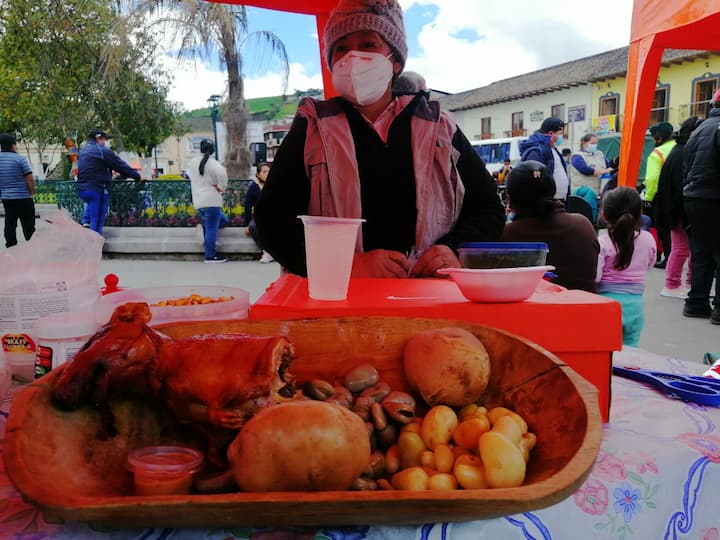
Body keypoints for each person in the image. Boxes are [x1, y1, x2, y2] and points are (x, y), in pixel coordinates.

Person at [254, 0, 505, 278]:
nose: (353, 57)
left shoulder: (439, 128)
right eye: (341, 48)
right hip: (337, 301)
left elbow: (488, 208)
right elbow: (271, 221)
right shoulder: (312, 127)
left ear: (395, 60)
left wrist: (453, 248)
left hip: (427, 296)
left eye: (368, 44)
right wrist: (345, 265)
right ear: (332, 63)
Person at [501, 160, 599, 292]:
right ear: (553, 191)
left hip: (530, 312)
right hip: (586, 310)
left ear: (509, 199)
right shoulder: (583, 225)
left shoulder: (504, 235)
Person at [596, 187, 657, 346]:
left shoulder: (603, 241)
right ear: (640, 212)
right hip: (636, 305)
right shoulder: (648, 239)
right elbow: (649, 264)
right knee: (631, 351)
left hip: (606, 304)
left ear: (604, 215)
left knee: (607, 350)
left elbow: (596, 276)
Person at [682, 88, 720, 323]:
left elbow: (687, 165)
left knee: (701, 251)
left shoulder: (699, 129)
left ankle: (696, 302)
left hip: (694, 198)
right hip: (715, 196)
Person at [654, 116, 703, 299]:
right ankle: (672, 283)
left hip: (675, 209)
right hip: (679, 210)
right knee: (682, 248)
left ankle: (683, 282)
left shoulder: (678, 150)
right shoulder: (683, 152)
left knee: (685, 248)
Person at [76, 129, 141, 235]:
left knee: (90, 214)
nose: (104, 142)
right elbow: (120, 165)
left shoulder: (83, 150)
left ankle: (85, 222)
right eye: (103, 139)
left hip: (82, 189)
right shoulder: (102, 151)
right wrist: (137, 176)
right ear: (98, 138)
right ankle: (94, 246)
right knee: (97, 222)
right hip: (97, 189)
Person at [188, 139, 229, 264]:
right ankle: (210, 256)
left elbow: (190, 176)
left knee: (222, 220)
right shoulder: (214, 163)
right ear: (212, 150)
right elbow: (222, 174)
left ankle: (205, 232)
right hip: (211, 200)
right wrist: (221, 187)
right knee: (213, 227)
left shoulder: (192, 162)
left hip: (199, 200)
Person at [644, 121, 676, 269]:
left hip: (661, 195)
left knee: (662, 228)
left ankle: (667, 258)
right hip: (679, 192)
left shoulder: (656, 154)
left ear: (658, 138)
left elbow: (651, 178)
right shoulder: (679, 147)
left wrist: (648, 198)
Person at [519, 117, 570, 202]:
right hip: (547, 202)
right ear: (551, 133)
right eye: (560, 134)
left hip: (558, 200)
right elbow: (535, 177)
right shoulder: (537, 151)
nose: (562, 137)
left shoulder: (552, 149)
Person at [0, 133, 35, 248]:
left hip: (7, 199)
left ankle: (11, 248)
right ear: (12, 145)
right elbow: (29, 179)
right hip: (24, 199)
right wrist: (31, 194)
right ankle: (32, 248)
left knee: (10, 223)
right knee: (28, 226)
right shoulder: (20, 159)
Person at [244, 162, 274, 263]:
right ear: (258, 174)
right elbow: (247, 207)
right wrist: (247, 224)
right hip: (259, 216)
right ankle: (266, 252)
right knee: (253, 226)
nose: (267, 174)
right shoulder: (253, 187)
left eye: (269, 172)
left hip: (274, 215)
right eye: (264, 172)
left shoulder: (275, 185)